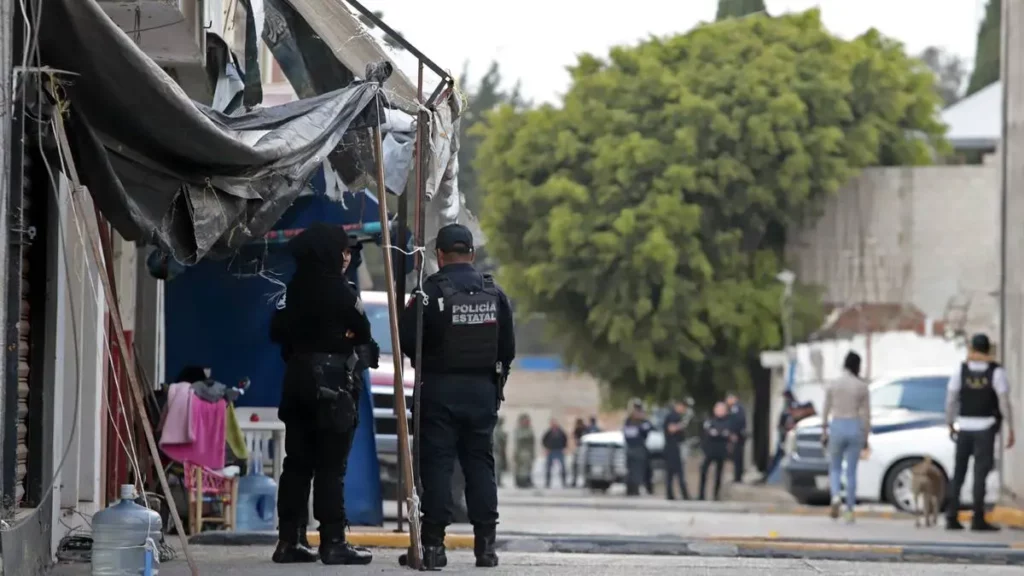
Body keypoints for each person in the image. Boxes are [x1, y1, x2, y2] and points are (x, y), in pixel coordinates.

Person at [398, 223, 516, 569]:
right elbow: (507, 349)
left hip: (439, 392)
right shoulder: (495, 294)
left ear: (439, 255)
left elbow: (407, 341)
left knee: (437, 465)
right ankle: (486, 548)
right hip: (482, 393)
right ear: (473, 254)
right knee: (480, 465)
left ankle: (433, 547)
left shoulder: (429, 293)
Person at [269, 223, 378, 566]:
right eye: (343, 250)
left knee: (296, 464)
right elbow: (362, 330)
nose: (346, 257)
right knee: (331, 466)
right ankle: (333, 540)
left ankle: (289, 540)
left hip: (297, 380)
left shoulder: (293, 289)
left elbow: (277, 331)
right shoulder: (339, 291)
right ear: (329, 252)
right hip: (333, 385)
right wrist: (341, 337)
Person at [945, 333, 1016, 531]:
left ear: (972, 349)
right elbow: (1003, 402)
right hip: (986, 428)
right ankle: (978, 518)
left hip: (964, 427)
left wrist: (950, 422)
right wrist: (1011, 427)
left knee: (958, 472)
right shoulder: (996, 372)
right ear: (988, 349)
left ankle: (951, 516)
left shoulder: (961, 370)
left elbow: (951, 398)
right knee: (980, 474)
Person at [821, 351, 870, 523]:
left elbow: (826, 409)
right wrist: (866, 435)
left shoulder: (834, 384)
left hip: (837, 425)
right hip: (854, 425)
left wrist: (824, 431)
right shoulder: (861, 386)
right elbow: (866, 414)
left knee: (834, 467)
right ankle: (849, 509)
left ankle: (835, 496)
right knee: (851, 472)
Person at [699, 402, 731, 500]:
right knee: (704, 471)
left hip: (721, 450)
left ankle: (716, 495)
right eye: (718, 409)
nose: (720, 411)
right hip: (710, 450)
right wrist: (718, 434)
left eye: (722, 410)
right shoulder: (710, 421)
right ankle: (701, 495)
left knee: (719, 474)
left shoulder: (728, 422)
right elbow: (707, 433)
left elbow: (726, 434)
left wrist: (718, 433)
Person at [623, 400, 653, 496]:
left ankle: (635, 489)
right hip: (633, 448)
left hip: (639, 448)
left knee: (639, 470)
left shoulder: (643, 422)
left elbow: (648, 429)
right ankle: (631, 489)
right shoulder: (629, 422)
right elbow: (628, 434)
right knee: (632, 470)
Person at [662, 399, 691, 500]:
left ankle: (670, 494)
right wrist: (681, 426)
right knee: (678, 472)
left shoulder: (674, 416)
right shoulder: (673, 416)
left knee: (671, 473)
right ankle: (683, 495)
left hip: (673, 447)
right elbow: (671, 429)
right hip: (672, 447)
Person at [725, 392, 747, 484]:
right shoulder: (736, 408)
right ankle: (737, 476)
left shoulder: (736, 408)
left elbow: (737, 421)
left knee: (738, 457)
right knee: (736, 456)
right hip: (738, 435)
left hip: (738, 435)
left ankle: (738, 477)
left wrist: (734, 432)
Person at [542, 419, 569, 488]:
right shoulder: (549, 432)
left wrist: (564, 448)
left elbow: (565, 439)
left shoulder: (561, 432)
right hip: (551, 451)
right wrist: (546, 448)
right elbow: (543, 440)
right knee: (548, 467)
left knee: (563, 467)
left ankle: (564, 482)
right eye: (552, 424)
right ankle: (547, 482)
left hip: (559, 450)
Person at [513, 413, 536, 489]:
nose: (527, 422)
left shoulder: (529, 429)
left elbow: (532, 443)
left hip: (528, 452)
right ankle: (521, 482)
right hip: (521, 452)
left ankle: (527, 480)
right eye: (526, 421)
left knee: (528, 468)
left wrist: (533, 454)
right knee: (521, 469)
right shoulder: (519, 430)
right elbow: (520, 439)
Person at [571, 418, 588, 487]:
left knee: (576, 465)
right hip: (582, 448)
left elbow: (575, 438)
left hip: (582, 448)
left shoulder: (580, 429)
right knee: (577, 465)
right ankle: (578, 481)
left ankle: (576, 481)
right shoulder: (584, 429)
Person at [493, 416, 508, 487]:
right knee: (497, 467)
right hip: (497, 451)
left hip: (498, 451)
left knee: (499, 467)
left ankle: (498, 481)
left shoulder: (497, 429)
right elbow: (498, 441)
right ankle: (497, 481)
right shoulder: (497, 430)